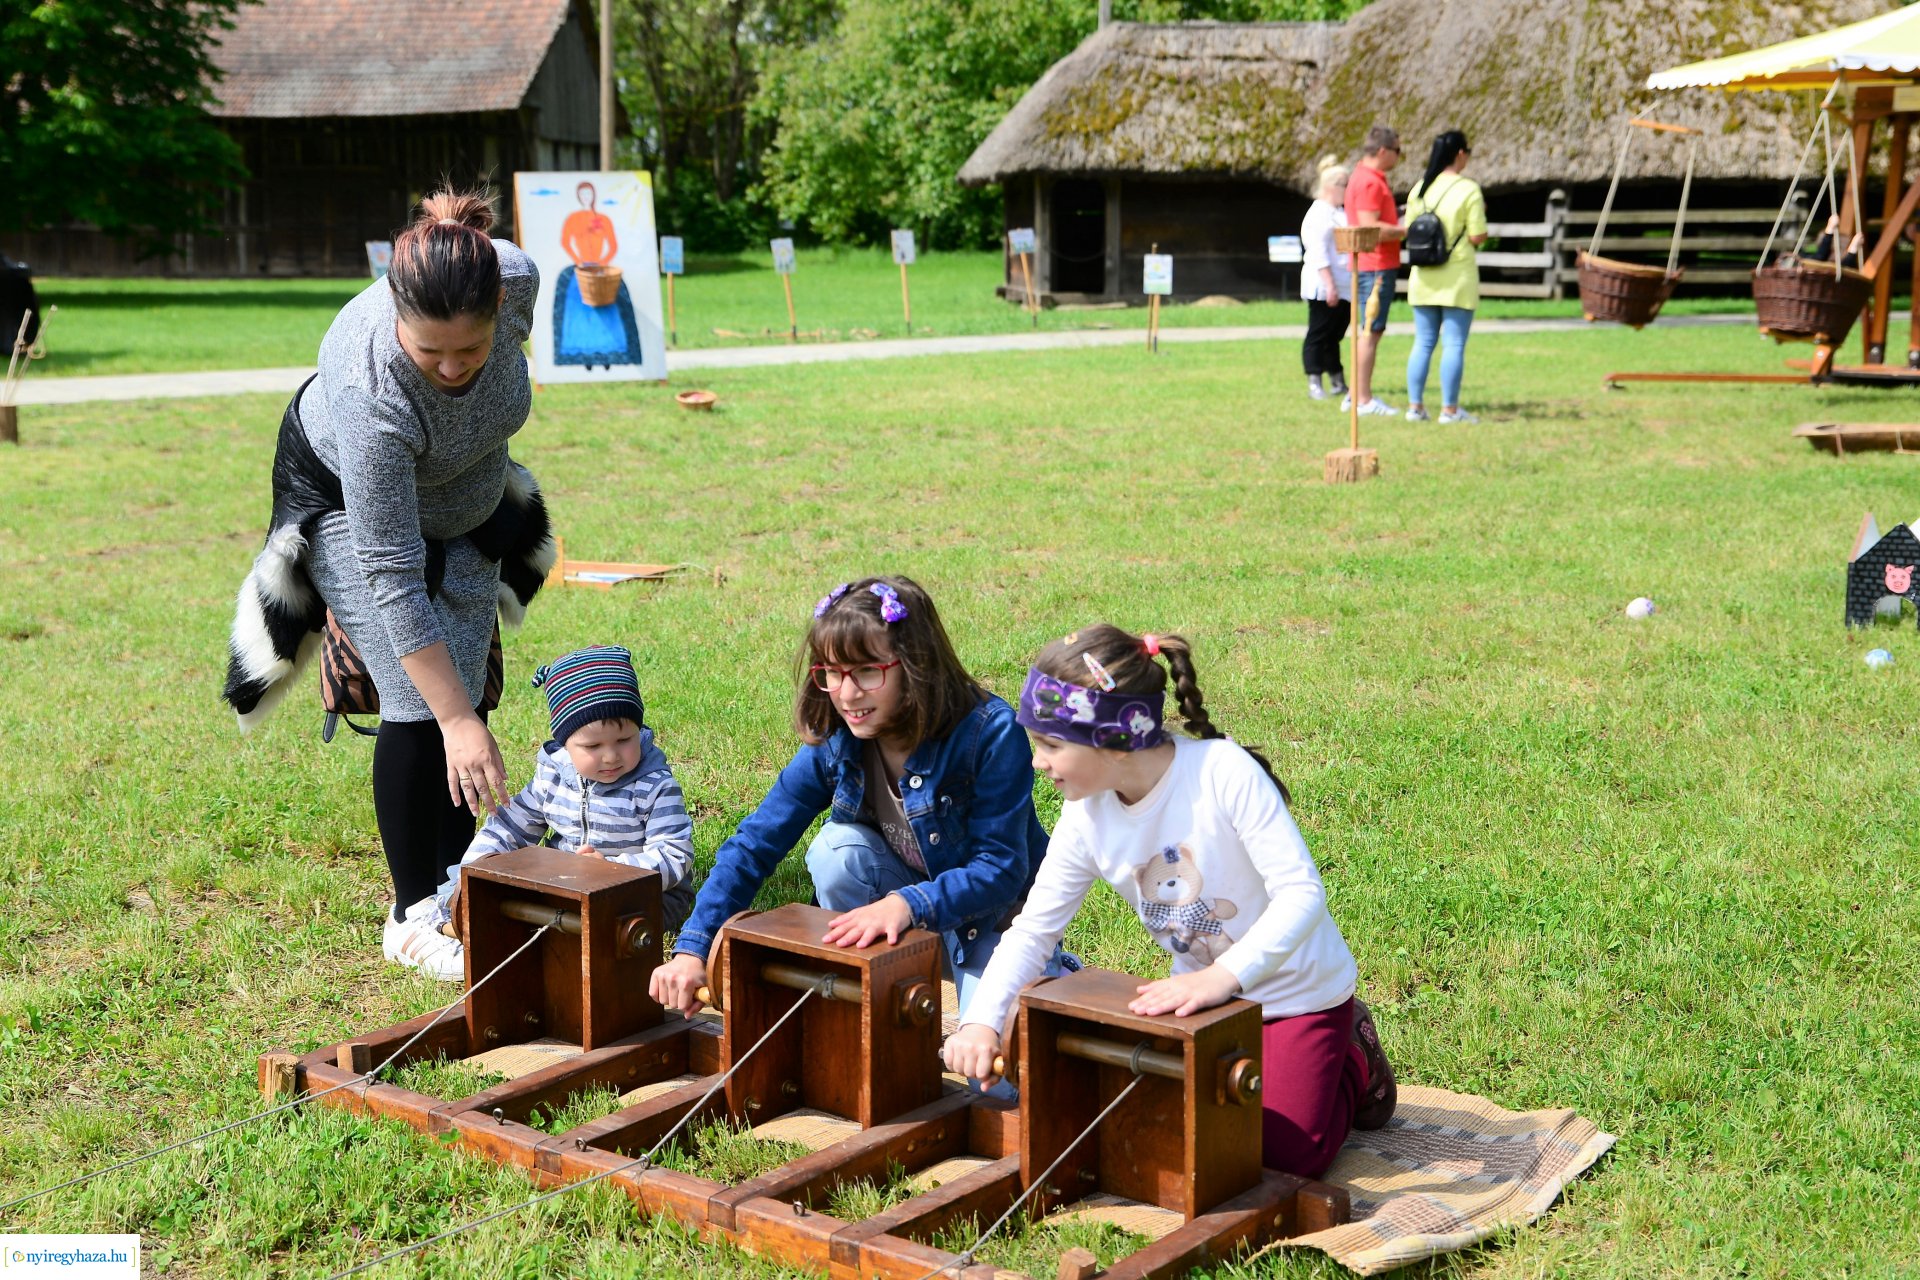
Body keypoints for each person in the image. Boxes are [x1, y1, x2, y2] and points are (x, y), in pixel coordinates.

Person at [221, 189, 556, 971]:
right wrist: (458, 722)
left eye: (468, 354)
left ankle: (459, 892)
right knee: (423, 700)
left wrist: (465, 712)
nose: (448, 368)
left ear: (499, 311)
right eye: (428, 350)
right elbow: (395, 578)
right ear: (397, 317)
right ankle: (412, 918)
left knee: (464, 681)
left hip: (466, 500)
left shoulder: (516, 282)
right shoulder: (369, 388)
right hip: (345, 499)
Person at [942, 625, 1396, 1178]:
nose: (1038, 762)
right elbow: (1033, 931)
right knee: (1167, 1131)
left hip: (1298, 995)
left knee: (1282, 1155)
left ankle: (1354, 1054)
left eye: (1052, 745)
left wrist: (1219, 977)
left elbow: (1301, 894)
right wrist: (981, 1023)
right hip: (1204, 1006)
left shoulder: (1223, 773)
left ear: (1111, 739)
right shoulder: (1085, 816)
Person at [649, 576, 1069, 1028]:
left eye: (868, 671)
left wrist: (907, 904)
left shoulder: (988, 732)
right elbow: (756, 842)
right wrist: (693, 947)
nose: (847, 694)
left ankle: (1051, 975)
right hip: (896, 913)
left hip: (990, 924)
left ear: (915, 665)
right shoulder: (837, 735)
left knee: (999, 1067)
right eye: (832, 672)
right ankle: (878, 979)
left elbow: (1001, 869)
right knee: (836, 852)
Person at [386, 646, 697, 979]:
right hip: (570, 887)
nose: (610, 756)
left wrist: (612, 872)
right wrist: (474, 868)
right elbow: (511, 826)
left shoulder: (654, 784)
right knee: (526, 912)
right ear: (564, 744)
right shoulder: (555, 776)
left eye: (624, 739)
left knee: (600, 933)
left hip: (645, 896)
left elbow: (675, 854)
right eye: (593, 747)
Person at [1403, 131, 1489, 424]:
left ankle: (1415, 407)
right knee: (1453, 344)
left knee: (1423, 342)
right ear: (1460, 154)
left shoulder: (1419, 189)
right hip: (1457, 277)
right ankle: (1449, 410)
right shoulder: (1468, 190)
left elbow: (1409, 230)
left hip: (1423, 276)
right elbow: (1477, 235)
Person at [1343, 125, 1406, 418]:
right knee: (1370, 331)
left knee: (1368, 331)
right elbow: (1371, 227)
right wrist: (1406, 229)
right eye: (1397, 151)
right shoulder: (1369, 182)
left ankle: (1354, 394)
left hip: (1371, 264)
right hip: (1376, 264)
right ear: (1382, 151)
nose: (1399, 157)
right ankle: (1363, 399)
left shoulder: (1364, 177)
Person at [1299, 156, 1351, 402]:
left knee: (1335, 335)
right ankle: (1314, 382)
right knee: (1319, 333)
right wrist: (1329, 285)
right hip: (1324, 284)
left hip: (1343, 283)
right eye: (1345, 186)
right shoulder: (1319, 213)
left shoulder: (1338, 212)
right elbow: (1318, 251)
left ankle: (1338, 380)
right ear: (1333, 186)